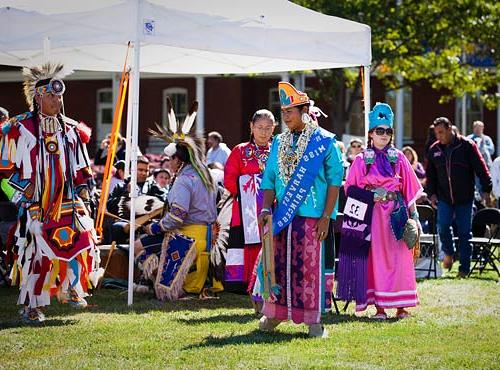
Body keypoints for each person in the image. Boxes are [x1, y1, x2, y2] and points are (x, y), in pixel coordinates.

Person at [0, 63, 100, 323]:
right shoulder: (19, 129)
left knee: (83, 238)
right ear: (38, 97)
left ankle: (73, 288)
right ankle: (32, 305)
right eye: (52, 96)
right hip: (37, 203)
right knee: (36, 252)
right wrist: (25, 189)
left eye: (60, 96)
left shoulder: (70, 130)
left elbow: (81, 169)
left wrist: (84, 193)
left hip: (66, 199)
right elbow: (5, 168)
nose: (57, 101)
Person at [257, 81, 344, 338]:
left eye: (290, 112)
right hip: (284, 216)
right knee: (280, 266)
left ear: (305, 111)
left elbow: (334, 181)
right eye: (283, 112)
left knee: (309, 272)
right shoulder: (279, 142)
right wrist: (264, 207)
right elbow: (270, 178)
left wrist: (327, 217)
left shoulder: (324, 142)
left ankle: (313, 321)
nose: (285, 117)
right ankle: (275, 314)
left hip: (312, 217)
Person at [337, 103, 423, 320]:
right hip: (373, 216)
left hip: (397, 214)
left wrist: (414, 216)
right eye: (380, 131)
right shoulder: (361, 160)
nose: (384, 135)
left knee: (400, 257)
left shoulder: (400, 158)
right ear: (371, 134)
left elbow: (409, 189)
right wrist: (370, 195)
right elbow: (349, 189)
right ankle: (381, 308)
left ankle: (401, 306)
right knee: (377, 259)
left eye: (388, 131)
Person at [138, 100, 223, 297]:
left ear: (178, 159)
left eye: (170, 159)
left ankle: (150, 281)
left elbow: (177, 217)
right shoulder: (205, 174)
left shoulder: (184, 180)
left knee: (140, 249)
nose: (168, 163)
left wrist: (154, 227)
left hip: (186, 241)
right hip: (206, 241)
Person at [426, 117, 492, 277]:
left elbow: (481, 168)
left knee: (464, 232)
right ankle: (449, 252)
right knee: (442, 226)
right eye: (436, 133)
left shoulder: (467, 146)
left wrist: (486, 190)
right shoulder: (434, 150)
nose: (439, 136)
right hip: (444, 197)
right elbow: (430, 175)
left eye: (441, 132)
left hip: (465, 197)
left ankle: (464, 268)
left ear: (450, 129)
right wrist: (432, 194)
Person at [223, 109, 276, 308]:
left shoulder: (277, 151)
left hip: (271, 211)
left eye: (268, 128)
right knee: (249, 253)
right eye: (260, 127)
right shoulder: (239, 151)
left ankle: (268, 292)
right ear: (251, 127)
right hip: (245, 215)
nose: (263, 132)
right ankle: (252, 294)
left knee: (269, 250)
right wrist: (251, 187)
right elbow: (229, 180)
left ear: (274, 129)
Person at [106, 156, 166, 243]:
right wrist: (127, 193)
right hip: (125, 222)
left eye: (146, 171)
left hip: (147, 222)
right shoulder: (121, 186)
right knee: (116, 228)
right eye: (140, 170)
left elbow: (162, 204)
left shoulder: (153, 187)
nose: (143, 173)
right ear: (132, 170)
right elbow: (110, 206)